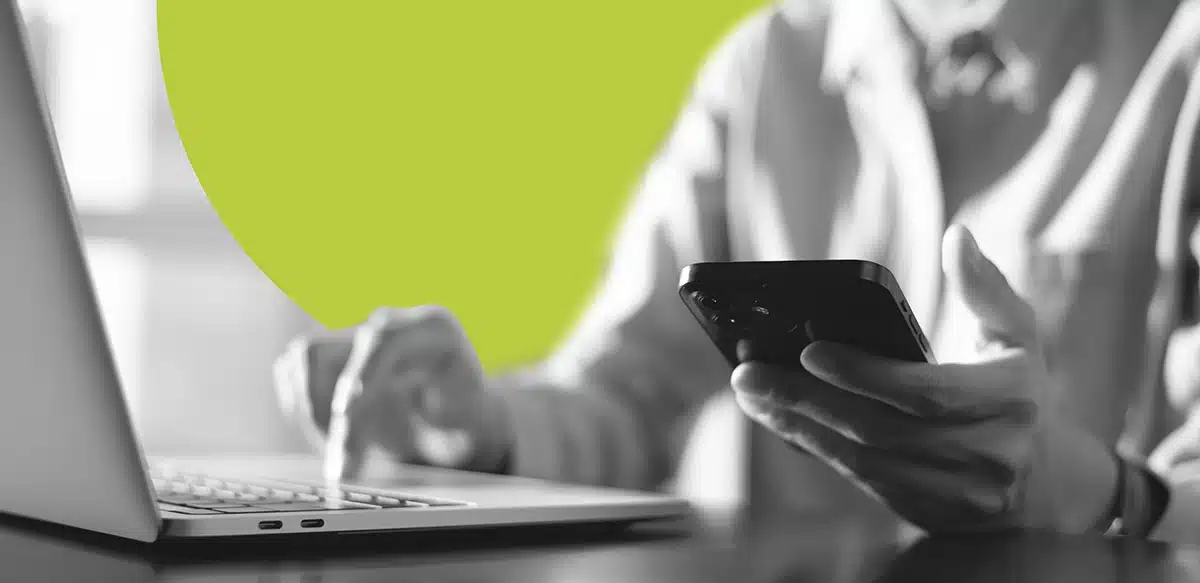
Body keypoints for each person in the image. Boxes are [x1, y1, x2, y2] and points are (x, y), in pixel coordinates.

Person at [273, 0, 1200, 541]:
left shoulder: (1181, 62)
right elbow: (624, 396)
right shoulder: (765, 67)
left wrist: (1105, 496)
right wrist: (485, 435)